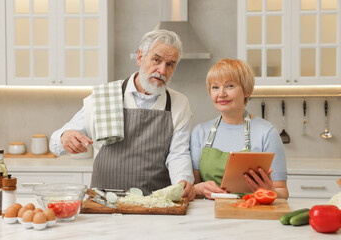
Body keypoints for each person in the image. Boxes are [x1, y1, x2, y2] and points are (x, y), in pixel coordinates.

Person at [50, 29, 196, 200]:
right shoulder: (105, 96)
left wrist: (183, 180)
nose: (162, 70)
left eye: (170, 64)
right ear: (140, 57)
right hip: (104, 202)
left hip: (155, 204)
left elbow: (178, 154)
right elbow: (55, 144)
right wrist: (64, 137)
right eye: (156, 60)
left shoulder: (179, 103)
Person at [190, 59, 288, 199]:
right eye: (215, 87)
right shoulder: (200, 132)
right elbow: (193, 189)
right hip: (208, 214)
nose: (221, 94)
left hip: (252, 212)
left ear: (246, 91)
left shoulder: (266, 133)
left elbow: (282, 192)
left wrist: (270, 190)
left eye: (229, 86)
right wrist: (199, 189)